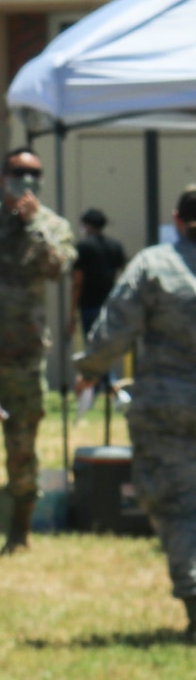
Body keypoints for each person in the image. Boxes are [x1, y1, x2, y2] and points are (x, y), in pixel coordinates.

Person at [75, 186, 196, 641]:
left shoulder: (154, 264)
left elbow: (114, 330)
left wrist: (88, 371)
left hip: (167, 405)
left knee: (179, 504)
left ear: (177, 218)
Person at [0, 148, 75, 555]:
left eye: (34, 173)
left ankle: (19, 531)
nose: (25, 179)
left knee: (22, 441)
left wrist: (32, 226)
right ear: (2, 176)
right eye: (18, 172)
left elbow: (58, 267)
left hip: (24, 352)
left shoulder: (51, 225)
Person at [75, 207, 129, 337]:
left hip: (88, 304)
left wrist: (72, 312)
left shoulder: (83, 246)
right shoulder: (115, 245)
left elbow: (78, 281)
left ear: (87, 224)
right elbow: (128, 274)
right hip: (110, 303)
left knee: (91, 345)